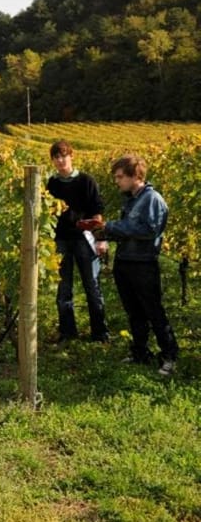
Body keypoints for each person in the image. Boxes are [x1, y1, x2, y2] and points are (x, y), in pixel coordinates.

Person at [80, 154, 178, 375]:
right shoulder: (132, 199)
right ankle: (140, 353)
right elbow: (127, 231)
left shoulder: (152, 199)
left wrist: (111, 227)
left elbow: (149, 230)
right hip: (125, 262)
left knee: (154, 311)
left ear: (136, 176)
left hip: (143, 265)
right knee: (134, 312)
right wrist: (101, 232)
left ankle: (169, 357)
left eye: (120, 177)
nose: (117, 181)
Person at [46, 140, 110, 343]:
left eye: (63, 155)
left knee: (92, 285)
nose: (60, 160)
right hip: (61, 240)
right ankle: (67, 333)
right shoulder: (52, 184)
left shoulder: (86, 181)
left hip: (85, 239)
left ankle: (100, 334)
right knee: (63, 287)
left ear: (71, 156)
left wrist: (101, 240)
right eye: (56, 157)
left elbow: (97, 210)